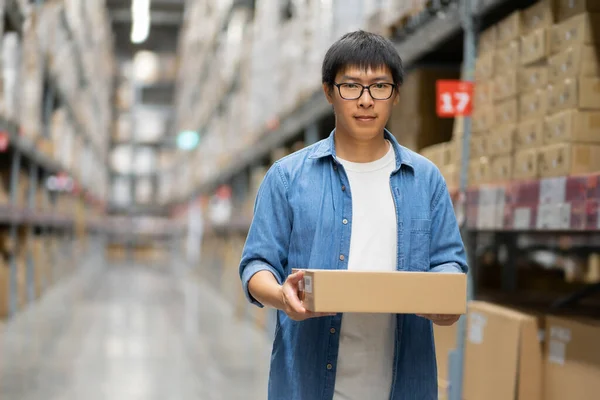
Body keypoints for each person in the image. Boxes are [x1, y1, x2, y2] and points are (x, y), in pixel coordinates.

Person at [239, 30, 468, 400]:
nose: (365, 101)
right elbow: (256, 264)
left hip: (403, 383)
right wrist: (283, 297)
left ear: (395, 95)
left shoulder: (425, 179)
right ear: (329, 92)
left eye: (379, 86)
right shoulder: (287, 177)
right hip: (311, 382)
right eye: (351, 86)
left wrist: (443, 298)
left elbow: (448, 261)